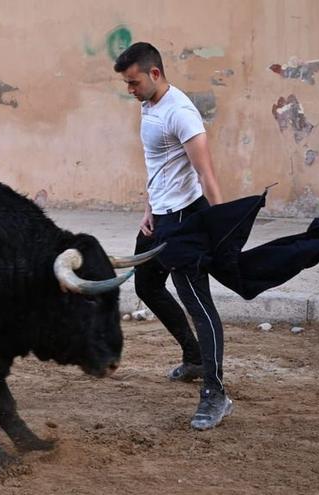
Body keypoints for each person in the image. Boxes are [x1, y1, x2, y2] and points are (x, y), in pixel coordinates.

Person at [113, 42, 233, 430]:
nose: (129, 90)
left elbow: (206, 174)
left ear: (154, 74)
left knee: (200, 306)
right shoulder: (149, 104)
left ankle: (216, 394)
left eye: (133, 83)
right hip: (160, 215)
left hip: (185, 222)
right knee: (147, 285)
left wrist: (222, 230)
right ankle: (194, 357)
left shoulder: (181, 113)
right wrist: (150, 206)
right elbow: (161, 163)